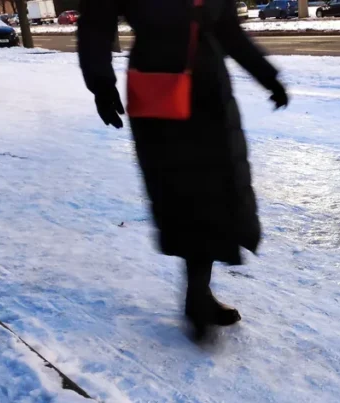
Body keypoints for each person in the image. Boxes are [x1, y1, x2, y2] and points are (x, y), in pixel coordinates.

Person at [78, 0, 288, 343]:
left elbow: (228, 30)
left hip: (210, 97)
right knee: (182, 197)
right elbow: (96, 23)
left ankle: (198, 295)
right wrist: (101, 82)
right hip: (161, 94)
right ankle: (197, 299)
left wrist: (267, 76)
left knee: (215, 196)